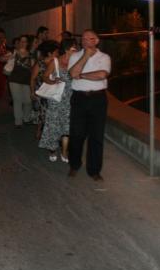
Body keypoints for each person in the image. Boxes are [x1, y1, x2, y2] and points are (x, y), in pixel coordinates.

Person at [68, 30, 111, 181]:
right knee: (76, 134)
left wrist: (81, 75)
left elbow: (102, 75)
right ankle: (74, 165)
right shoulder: (75, 56)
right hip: (79, 98)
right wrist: (85, 56)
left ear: (97, 41)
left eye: (90, 38)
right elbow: (72, 74)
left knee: (96, 136)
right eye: (84, 39)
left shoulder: (104, 57)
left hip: (98, 99)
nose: (86, 41)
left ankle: (94, 170)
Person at [38, 39, 77, 162]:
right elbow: (44, 77)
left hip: (69, 100)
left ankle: (64, 152)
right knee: (53, 125)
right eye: (74, 48)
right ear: (66, 49)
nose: (76, 51)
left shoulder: (75, 62)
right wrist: (53, 81)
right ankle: (53, 149)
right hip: (55, 99)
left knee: (67, 126)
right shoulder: (55, 62)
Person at [8, 35, 34, 128]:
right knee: (17, 100)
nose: (23, 43)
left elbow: (33, 67)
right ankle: (18, 121)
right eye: (21, 41)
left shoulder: (31, 55)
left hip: (26, 80)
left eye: (25, 41)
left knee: (28, 101)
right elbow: (2, 58)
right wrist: (7, 57)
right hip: (14, 80)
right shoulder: (14, 53)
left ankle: (26, 118)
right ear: (18, 43)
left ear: (27, 43)